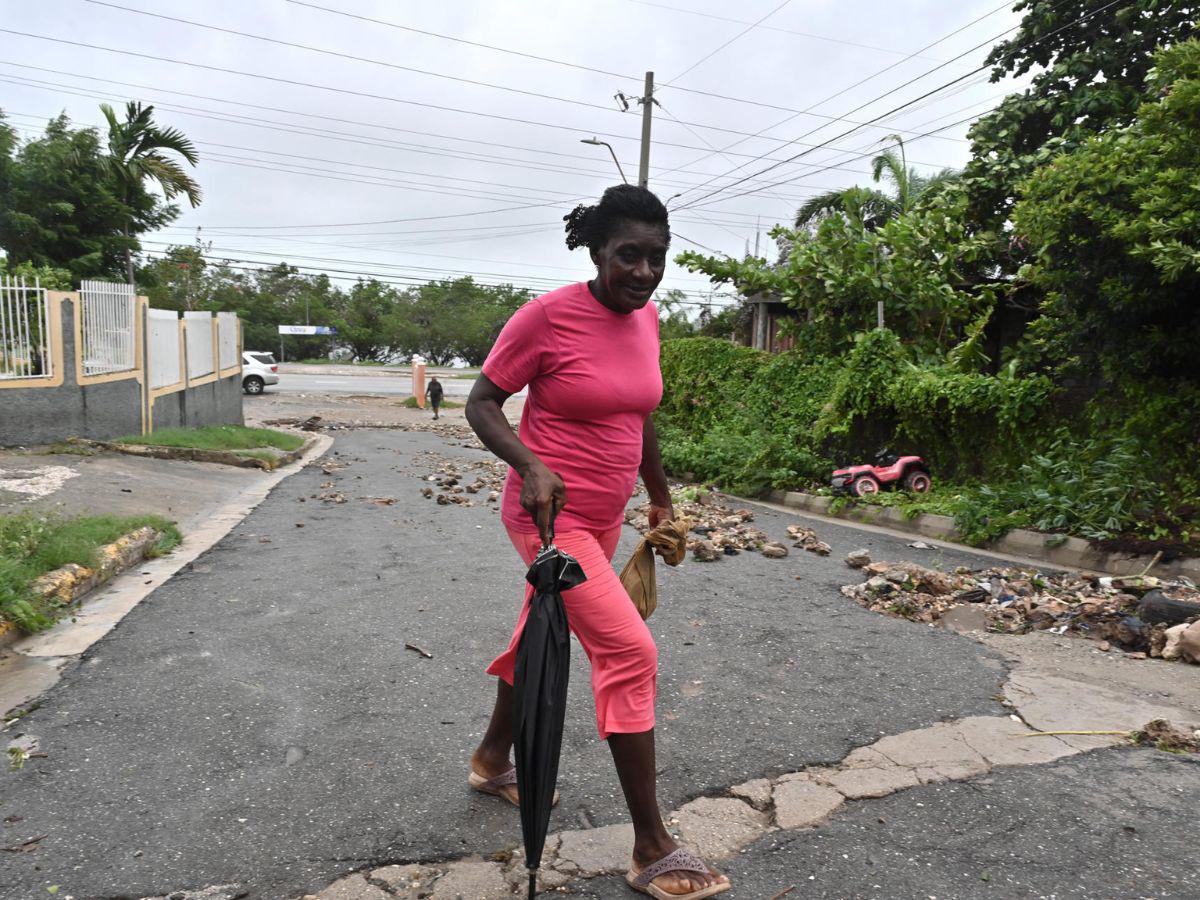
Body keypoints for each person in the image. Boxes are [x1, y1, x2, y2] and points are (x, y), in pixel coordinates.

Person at [465, 184, 730, 899]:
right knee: (628, 650)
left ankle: (493, 759)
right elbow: (481, 402)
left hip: (606, 518)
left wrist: (662, 495)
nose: (643, 273)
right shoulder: (548, 316)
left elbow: (640, 413)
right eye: (628, 256)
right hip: (549, 519)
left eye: (657, 258)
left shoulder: (645, 321)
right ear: (596, 251)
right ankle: (651, 844)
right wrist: (530, 464)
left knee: (539, 635)